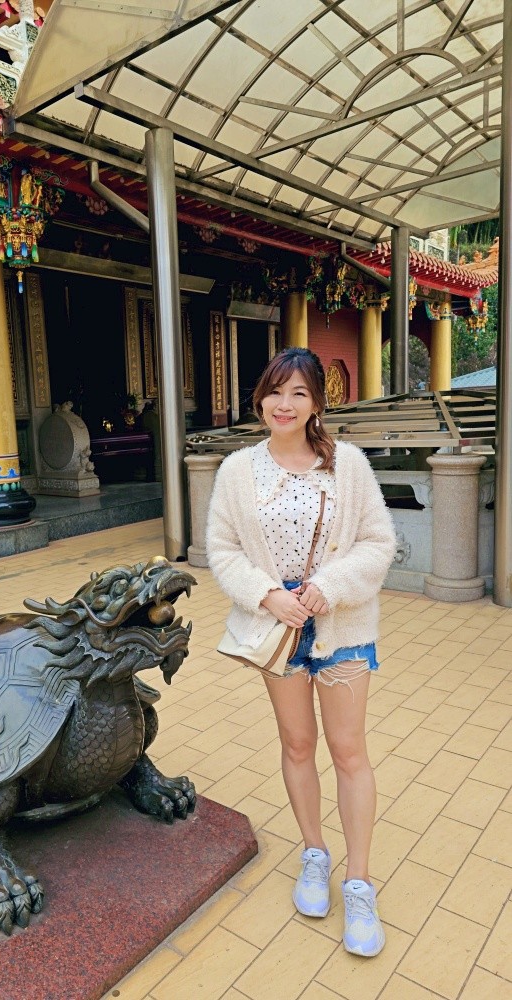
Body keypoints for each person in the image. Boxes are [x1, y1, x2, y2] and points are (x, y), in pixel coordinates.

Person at [206, 347, 396, 958]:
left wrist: (325, 590)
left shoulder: (350, 466)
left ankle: (359, 881)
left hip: (341, 626)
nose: (283, 405)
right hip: (280, 630)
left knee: (348, 751)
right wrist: (267, 596)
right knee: (296, 744)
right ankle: (314, 852)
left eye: (298, 394)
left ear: (317, 403)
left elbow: (377, 542)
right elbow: (223, 549)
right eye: (273, 392)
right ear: (259, 398)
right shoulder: (237, 470)